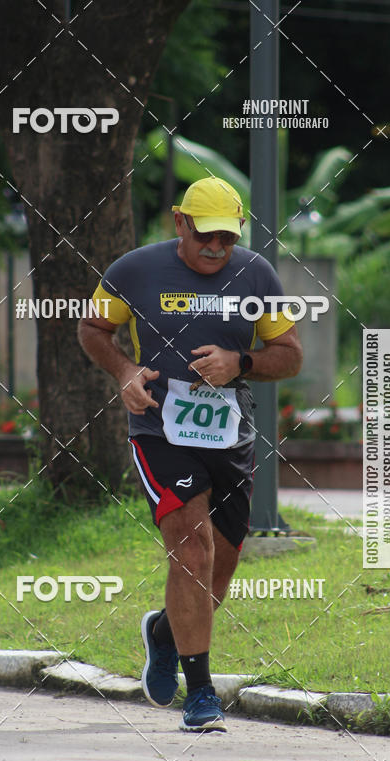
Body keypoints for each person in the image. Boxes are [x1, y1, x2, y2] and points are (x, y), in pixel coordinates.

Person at [79, 176, 302, 732]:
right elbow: (93, 328)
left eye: (228, 237)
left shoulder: (257, 275)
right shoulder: (133, 270)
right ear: (180, 222)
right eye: (206, 235)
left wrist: (240, 362)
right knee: (190, 549)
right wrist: (124, 371)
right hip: (159, 429)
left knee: (217, 572)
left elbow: (290, 354)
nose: (217, 248)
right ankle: (200, 694)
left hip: (230, 434)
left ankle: (162, 633)